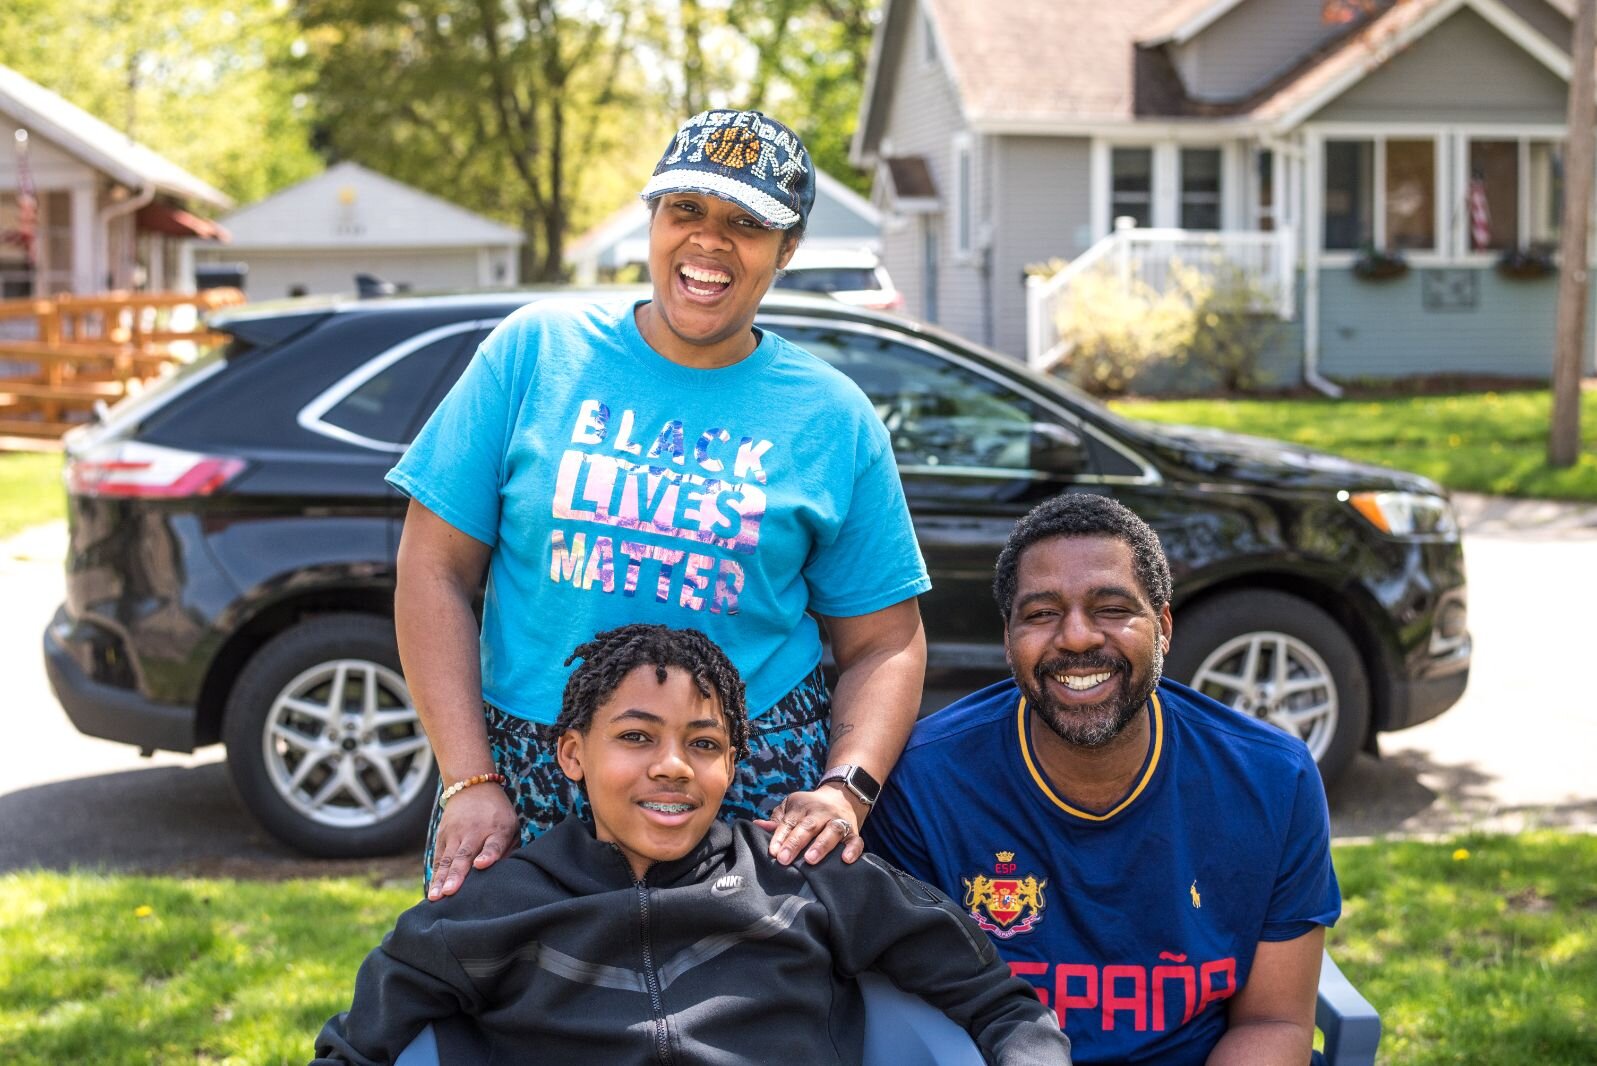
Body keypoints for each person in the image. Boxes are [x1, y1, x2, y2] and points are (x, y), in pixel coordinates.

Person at [386, 107, 930, 902]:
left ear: (786, 251)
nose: (708, 241)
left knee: (736, 1018)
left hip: (740, 779)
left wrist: (843, 789)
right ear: (653, 219)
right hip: (527, 770)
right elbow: (431, 569)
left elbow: (885, 643)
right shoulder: (536, 352)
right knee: (503, 1011)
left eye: (745, 224)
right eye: (686, 211)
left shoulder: (831, 416)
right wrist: (469, 777)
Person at [313, 625, 1073, 1066]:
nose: (671, 765)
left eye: (702, 742)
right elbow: (352, 1052)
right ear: (571, 756)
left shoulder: (803, 880)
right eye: (636, 737)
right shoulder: (487, 913)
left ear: (732, 765)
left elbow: (998, 1004)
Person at [864, 495, 1340, 1065]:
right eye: (1041, 614)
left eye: (1112, 608)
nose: (1078, 637)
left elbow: (1273, 1019)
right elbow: (913, 1021)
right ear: (1008, 637)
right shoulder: (923, 780)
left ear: (1163, 626)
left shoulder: (1272, 778)